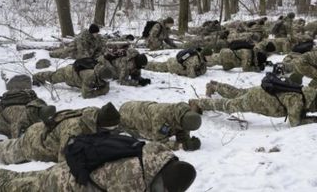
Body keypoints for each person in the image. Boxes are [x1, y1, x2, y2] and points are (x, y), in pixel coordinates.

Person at [0, 142, 196, 192]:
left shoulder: (156, 155)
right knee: (14, 187)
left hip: (73, 167)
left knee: (25, 177)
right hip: (63, 185)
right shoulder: (131, 180)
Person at [0, 102, 121, 164]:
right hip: (35, 144)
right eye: (110, 129)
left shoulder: (94, 114)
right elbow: (65, 162)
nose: (112, 131)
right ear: (101, 123)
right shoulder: (73, 130)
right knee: (6, 152)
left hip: (45, 131)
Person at [189, 80, 317, 127]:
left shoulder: (306, 92)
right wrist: (314, 120)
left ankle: (215, 86)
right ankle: (198, 103)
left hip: (260, 92)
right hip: (258, 101)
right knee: (229, 106)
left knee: (238, 93)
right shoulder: (298, 101)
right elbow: (295, 123)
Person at [119, 101, 202, 151]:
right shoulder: (161, 118)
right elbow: (159, 141)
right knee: (145, 132)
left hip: (143, 107)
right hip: (127, 115)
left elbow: (182, 130)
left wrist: (187, 141)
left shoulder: (183, 113)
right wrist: (182, 146)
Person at [32, 60, 112, 99]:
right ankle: (36, 76)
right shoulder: (90, 77)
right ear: (100, 76)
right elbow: (86, 94)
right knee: (51, 78)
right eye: (107, 80)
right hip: (68, 73)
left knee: (52, 77)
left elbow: (106, 88)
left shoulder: (104, 75)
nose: (108, 82)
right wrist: (100, 91)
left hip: (75, 75)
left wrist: (102, 90)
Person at [205, 42, 275, 72]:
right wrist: (257, 68)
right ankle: (200, 61)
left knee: (212, 58)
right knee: (209, 61)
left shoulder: (253, 51)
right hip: (226, 56)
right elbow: (245, 68)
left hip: (228, 58)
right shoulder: (249, 55)